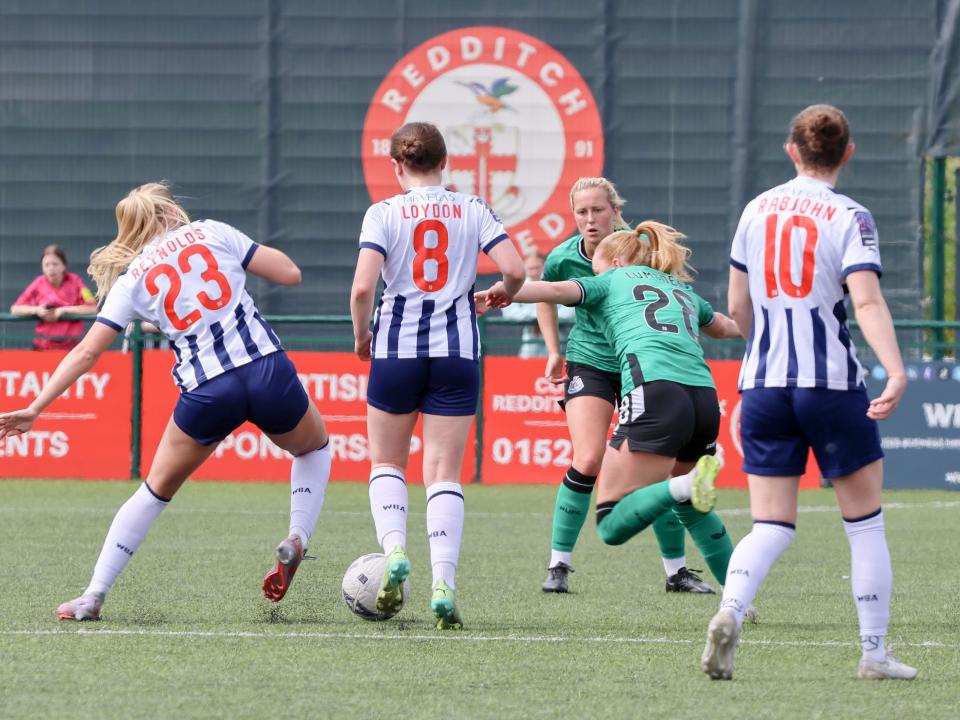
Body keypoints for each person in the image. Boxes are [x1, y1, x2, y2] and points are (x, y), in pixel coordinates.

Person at [0, 183, 331, 620]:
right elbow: (290, 273)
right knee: (314, 448)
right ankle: (297, 536)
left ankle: (93, 595)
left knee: (153, 492)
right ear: (171, 213)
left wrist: (36, 407)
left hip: (208, 389)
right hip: (265, 368)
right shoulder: (213, 231)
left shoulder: (132, 278)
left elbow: (86, 352)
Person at [701, 104, 917, 681]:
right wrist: (894, 371)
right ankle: (873, 653)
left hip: (764, 386)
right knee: (864, 522)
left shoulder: (755, 209)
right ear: (847, 153)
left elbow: (739, 307)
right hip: (831, 385)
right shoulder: (851, 214)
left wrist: (767, 345)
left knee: (769, 525)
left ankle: (730, 611)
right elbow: (865, 301)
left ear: (791, 151)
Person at [480, 222, 743, 569]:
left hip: (656, 391)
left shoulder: (613, 279)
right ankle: (738, 601)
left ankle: (683, 486)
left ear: (617, 261)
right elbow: (727, 326)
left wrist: (504, 290)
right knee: (693, 509)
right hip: (705, 399)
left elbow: (555, 291)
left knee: (611, 520)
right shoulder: (682, 290)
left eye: (598, 268)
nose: (595, 274)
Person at [350, 121, 525, 630]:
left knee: (387, 463)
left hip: (397, 349)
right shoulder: (471, 208)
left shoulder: (383, 212)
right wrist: (499, 294)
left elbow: (363, 289)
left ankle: (395, 552)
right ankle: (442, 582)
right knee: (444, 474)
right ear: (446, 162)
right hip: (457, 350)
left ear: (396, 166)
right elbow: (513, 270)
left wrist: (363, 336)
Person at [534, 178, 730, 595]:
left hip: (638, 366)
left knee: (656, 466)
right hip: (592, 361)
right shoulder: (563, 257)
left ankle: (676, 572)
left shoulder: (634, 251)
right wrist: (553, 349)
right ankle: (559, 564)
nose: (589, 220)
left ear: (615, 211)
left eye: (598, 210)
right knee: (587, 457)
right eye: (581, 212)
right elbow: (547, 295)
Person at [10, 244, 97, 349]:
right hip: (42, 347)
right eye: (46, 265)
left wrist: (64, 310)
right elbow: (15, 309)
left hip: (72, 348)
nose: (51, 268)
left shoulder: (76, 281)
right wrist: (36, 310)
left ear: (64, 265)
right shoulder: (38, 283)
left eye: (55, 264)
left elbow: (93, 308)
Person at [499, 252, 574, 358]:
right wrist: (537, 318)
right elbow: (509, 312)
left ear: (544, 266)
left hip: (559, 341)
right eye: (530, 268)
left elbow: (569, 311)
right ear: (524, 268)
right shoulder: (516, 286)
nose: (534, 271)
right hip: (529, 342)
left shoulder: (556, 282)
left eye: (537, 267)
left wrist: (546, 318)